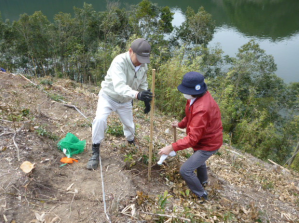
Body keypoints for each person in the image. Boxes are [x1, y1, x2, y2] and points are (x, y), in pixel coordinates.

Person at [87, 38, 153, 170]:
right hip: (109, 96)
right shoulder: (119, 62)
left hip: (125, 101)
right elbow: (119, 86)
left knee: (129, 125)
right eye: (139, 57)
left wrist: (145, 97)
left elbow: (143, 82)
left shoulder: (143, 65)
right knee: (100, 120)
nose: (141, 62)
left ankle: (131, 142)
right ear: (130, 51)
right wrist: (137, 95)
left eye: (144, 59)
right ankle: (95, 149)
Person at [158, 71, 223, 201]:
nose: (184, 92)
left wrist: (171, 147)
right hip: (202, 139)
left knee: (186, 171)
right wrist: (181, 124)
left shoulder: (202, 108)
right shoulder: (194, 98)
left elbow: (193, 139)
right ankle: (203, 181)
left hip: (209, 143)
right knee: (198, 161)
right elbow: (189, 115)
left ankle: (201, 194)